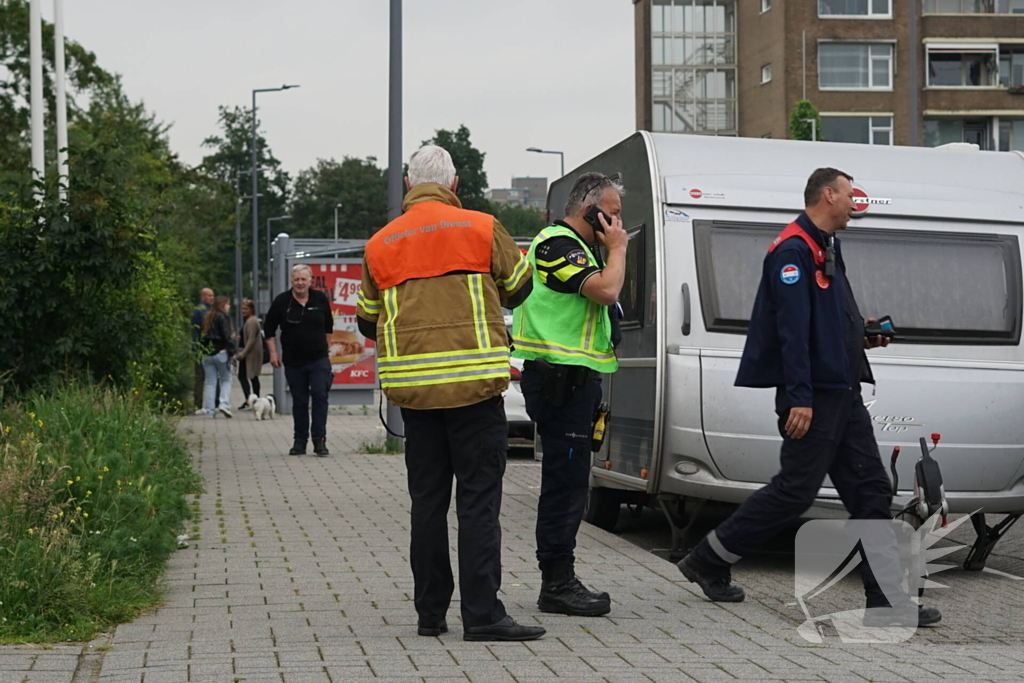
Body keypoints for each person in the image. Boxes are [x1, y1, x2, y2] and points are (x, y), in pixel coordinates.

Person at [677, 168, 941, 628]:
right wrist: (799, 397)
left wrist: (862, 335)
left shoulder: (827, 246)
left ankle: (886, 603)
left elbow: (827, 321)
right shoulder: (794, 251)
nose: (856, 203)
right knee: (794, 491)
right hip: (815, 397)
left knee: (871, 491)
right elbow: (792, 331)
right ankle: (708, 559)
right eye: (849, 194)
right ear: (828, 195)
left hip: (842, 393)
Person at [356, 145, 543, 642]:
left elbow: (367, 321)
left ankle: (430, 614)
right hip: (476, 393)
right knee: (477, 504)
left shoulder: (380, 244)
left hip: (416, 399)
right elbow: (521, 287)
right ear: (455, 184)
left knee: (427, 504)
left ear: (408, 185)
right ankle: (482, 615)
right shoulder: (482, 228)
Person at [511, 172, 627, 617]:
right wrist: (618, 249)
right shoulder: (556, 245)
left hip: (574, 383)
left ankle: (559, 579)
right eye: (612, 214)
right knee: (564, 486)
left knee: (571, 484)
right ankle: (557, 583)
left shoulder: (580, 248)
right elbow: (607, 290)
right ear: (589, 211)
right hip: (560, 383)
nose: (618, 224)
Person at [264, 265, 334, 457]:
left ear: (311, 280)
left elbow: (328, 326)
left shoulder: (319, 299)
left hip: (319, 359)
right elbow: (269, 329)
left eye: (304, 279)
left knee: (320, 395)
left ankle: (319, 440)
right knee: (300, 401)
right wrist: (273, 353)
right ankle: (299, 441)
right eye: (297, 279)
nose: (300, 283)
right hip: (294, 361)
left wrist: (326, 348)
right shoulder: (282, 301)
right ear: (291, 281)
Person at [200, 295, 236, 419]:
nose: (229, 306)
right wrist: (232, 352)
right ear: (223, 305)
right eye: (228, 304)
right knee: (226, 379)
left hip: (207, 353)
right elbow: (226, 336)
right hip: (221, 352)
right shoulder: (223, 317)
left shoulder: (207, 317)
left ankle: (210, 411)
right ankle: (224, 404)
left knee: (210, 382)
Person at [235, 299, 264, 410]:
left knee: (249, 376)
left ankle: (251, 400)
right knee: (251, 376)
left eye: (246, 309)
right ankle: (252, 399)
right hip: (249, 353)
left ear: (252, 309)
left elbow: (251, 339)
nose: (243, 311)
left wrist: (242, 353)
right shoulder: (249, 320)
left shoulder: (252, 321)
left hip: (250, 354)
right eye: (242, 308)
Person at [191, 287, 215, 414]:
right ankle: (199, 405)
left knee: (204, 377)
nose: (212, 298)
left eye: (212, 295)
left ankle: (201, 405)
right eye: (209, 295)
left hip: (206, 347)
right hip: (203, 348)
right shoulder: (200, 311)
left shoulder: (207, 310)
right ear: (203, 296)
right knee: (202, 377)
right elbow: (195, 330)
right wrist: (196, 346)